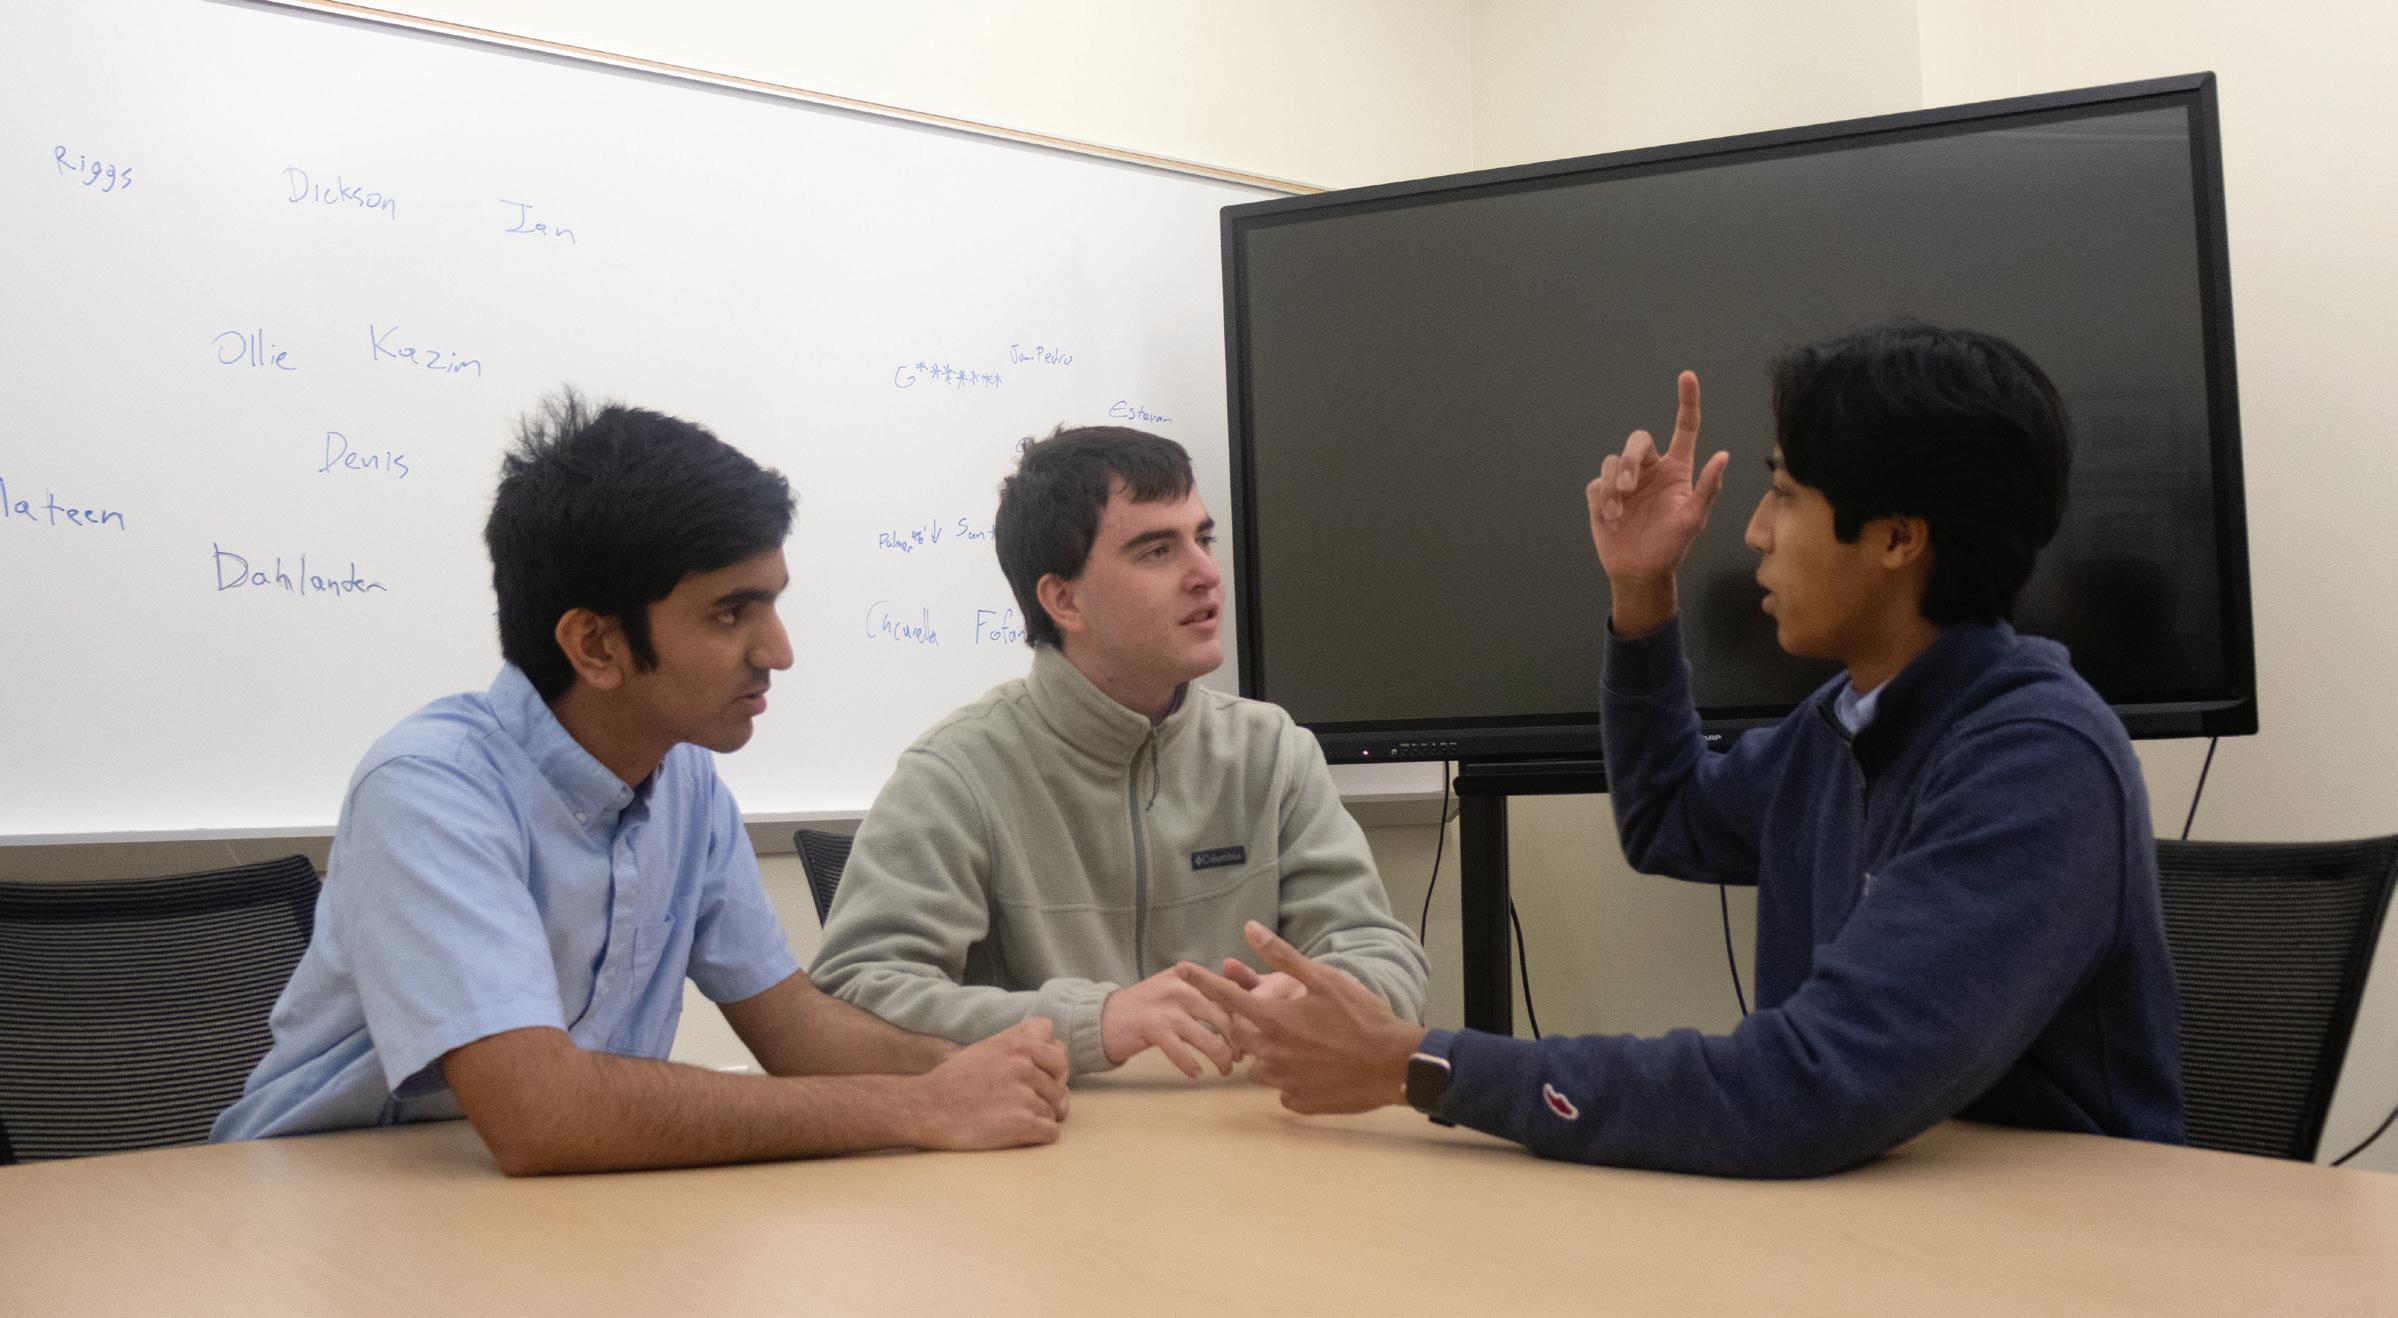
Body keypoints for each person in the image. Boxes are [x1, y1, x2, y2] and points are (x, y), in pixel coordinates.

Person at [1179, 323, 2185, 1177]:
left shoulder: (2035, 761)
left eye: (1786, 495)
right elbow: (1668, 818)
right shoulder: (1847, 719)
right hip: (1885, 1208)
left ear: (1895, 538)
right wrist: (1641, 592)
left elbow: (1810, 1086)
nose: (1754, 532)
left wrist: (1418, 1064)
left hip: (2055, 1250)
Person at [212, 392, 1068, 1173]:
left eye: (774, 603)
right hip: (313, 1206)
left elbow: (792, 1026)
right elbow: (543, 1116)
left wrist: (974, 1073)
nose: (778, 651)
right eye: (731, 613)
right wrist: (917, 1107)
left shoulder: (684, 779)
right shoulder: (429, 792)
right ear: (595, 645)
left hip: (535, 1209)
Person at [811, 426, 1429, 1078]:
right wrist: (1093, 1021)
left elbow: (1381, 953)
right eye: (1158, 551)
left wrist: (1323, 996)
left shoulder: (1272, 751)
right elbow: (853, 996)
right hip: (1053, 1129)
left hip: (1251, 1124)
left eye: (1203, 539)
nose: (1206, 574)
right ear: (1064, 600)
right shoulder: (957, 773)